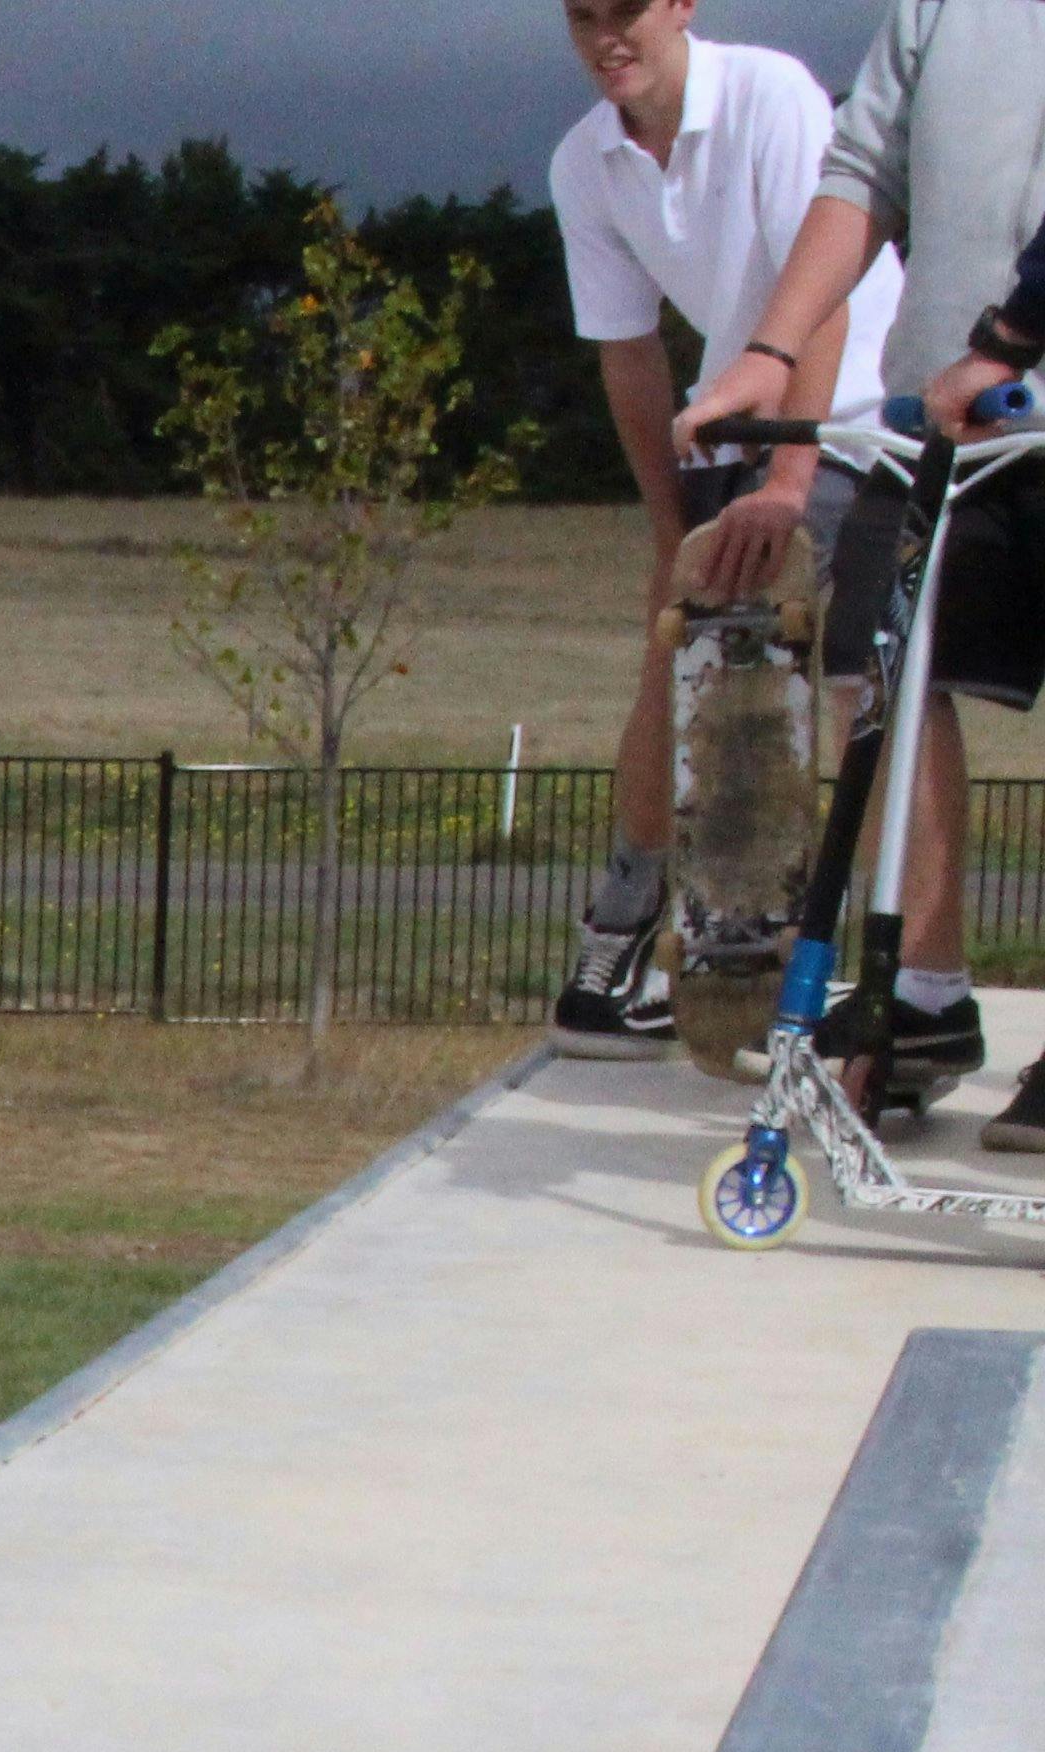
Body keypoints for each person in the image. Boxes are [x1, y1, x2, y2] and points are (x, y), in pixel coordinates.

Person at [682, 0, 1045, 1139]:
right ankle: (923, 999)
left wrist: (1009, 347)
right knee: (878, 674)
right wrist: (769, 349)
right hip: (943, 409)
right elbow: (860, 171)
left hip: (1013, 380)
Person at [543, 0, 893, 1057]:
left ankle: (862, 977)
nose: (607, 38)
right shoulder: (586, 162)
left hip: (859, 414)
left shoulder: (769, 94)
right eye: (582, 16)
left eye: (626, 14)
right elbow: (629, 353)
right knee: (679, 650)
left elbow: (819, 293)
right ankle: (619, 947)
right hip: (728, 418)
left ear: (681, 6)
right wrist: (667, 534)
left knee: (849, 678)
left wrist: (793, 478)